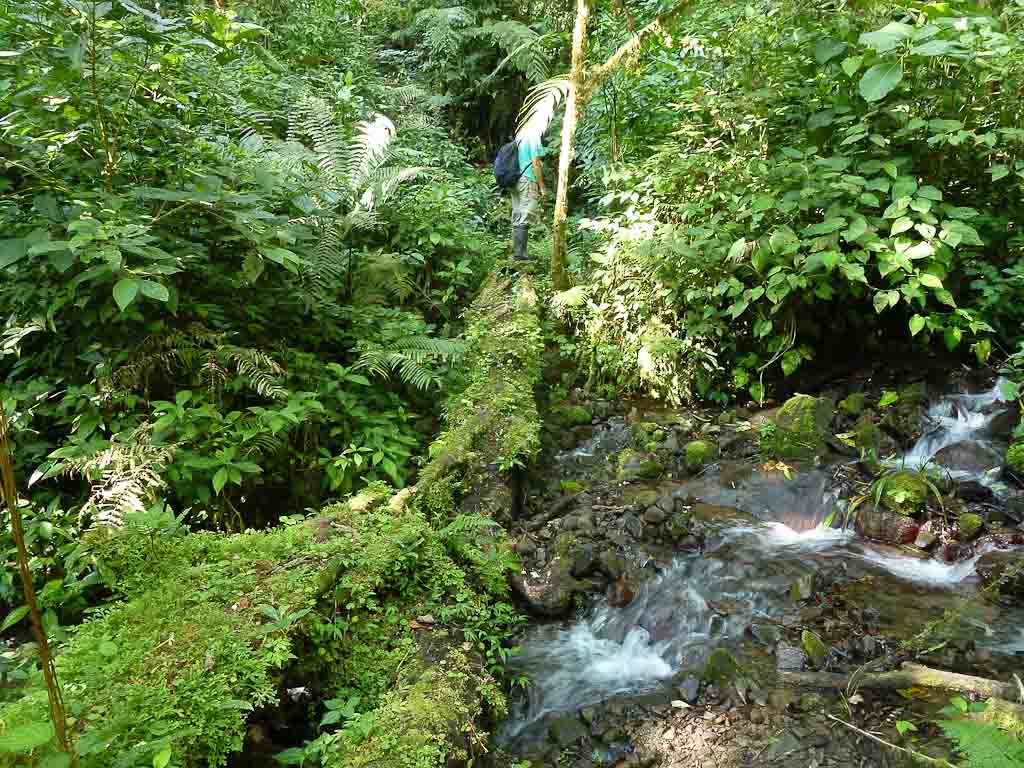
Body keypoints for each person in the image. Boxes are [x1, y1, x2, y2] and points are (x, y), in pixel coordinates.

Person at [510, 129, 547, 263]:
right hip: (526, 179)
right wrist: (542, 186)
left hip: (514, 180)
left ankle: (518, 253)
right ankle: (520, 254)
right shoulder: (533, 137)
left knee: (518, 214)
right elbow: (536, 164)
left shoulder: (519, 136)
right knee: (525, 215)